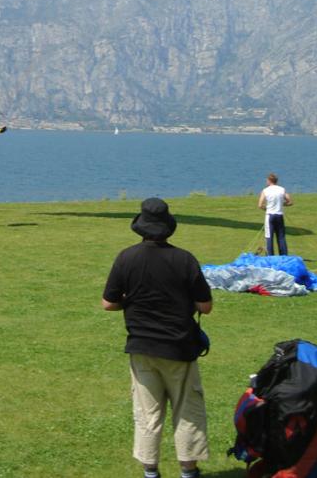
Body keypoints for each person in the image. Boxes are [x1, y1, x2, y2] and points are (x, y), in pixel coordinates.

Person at [102, 197, 212, 478]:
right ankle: (189, 470)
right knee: (187, 409)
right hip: (180, 346)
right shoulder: (184, 259)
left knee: (147, 413)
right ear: (167, 227)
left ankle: (150, 471)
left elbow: (108, 303)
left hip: (141, 347)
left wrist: (131, 301)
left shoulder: (126, 257)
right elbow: (205, 306)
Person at [258, 172, 293, 255]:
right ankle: (284, 256)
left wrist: (266, 209)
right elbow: (290, 202)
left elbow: (260, 205)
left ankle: (270, 256)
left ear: (269, 181)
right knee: (281, 237)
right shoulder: (282, 189)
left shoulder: (265, 190)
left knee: (269, 237)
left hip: (270, 216)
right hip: (279, 216)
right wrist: (282, 204)